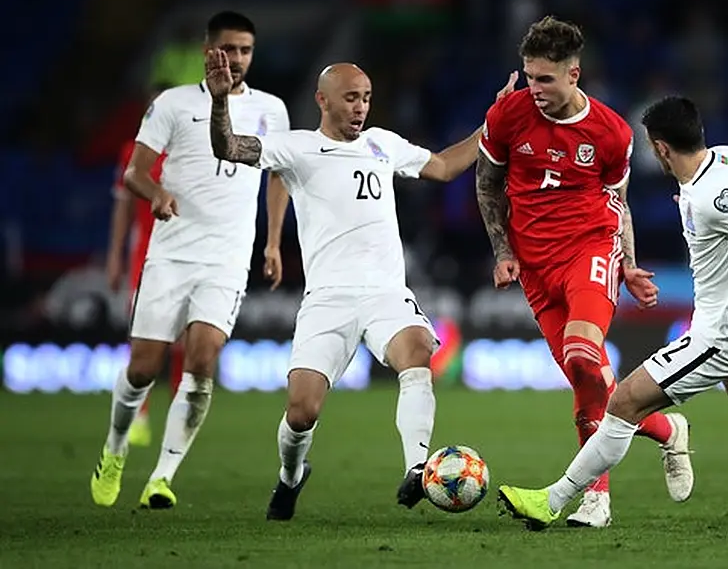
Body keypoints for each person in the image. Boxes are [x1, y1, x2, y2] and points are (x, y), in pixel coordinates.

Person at [496, 95, 728, 530]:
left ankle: (552, 500)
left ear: (661, 148)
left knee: (623, 402)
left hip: (722, 334)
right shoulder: (727, 157)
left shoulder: (710, 197)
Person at [204, 49, 517, 520]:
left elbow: (446, 165)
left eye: (366, 98)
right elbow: (228, 147)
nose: (360, 108)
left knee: (416, 353)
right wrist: (220, 102)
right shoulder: (297, 148)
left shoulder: (381, 144)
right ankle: (291, 475)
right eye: (351, 98)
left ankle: (418, 468)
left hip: (386, 293)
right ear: (322, 100)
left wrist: (492, 121)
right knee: (301, 412)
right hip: (327, 300)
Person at [475, 16, 692, 528]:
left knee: (581, 354)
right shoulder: (509, 115)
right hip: (534, 266)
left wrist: (631, 266)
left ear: (574, 75)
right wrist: (502, 251)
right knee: (584, 377)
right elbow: (487, 185)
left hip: (590, 249)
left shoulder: (612, 133)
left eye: (545, 79)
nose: (535, 89)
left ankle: (597, 499)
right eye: (529, 77)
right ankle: (666, 430)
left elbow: (619, 202)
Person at [90, 11, 292, 510]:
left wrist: (271, 243)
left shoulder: (271, 110)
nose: (237, 59)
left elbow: (278, 175)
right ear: (208, 51)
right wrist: (156, 191)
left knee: (202, 361)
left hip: (226, 260)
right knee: (142, 368)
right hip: (171, 254)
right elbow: (134, 173)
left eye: (245, 50)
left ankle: (162, 476)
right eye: (228, 49)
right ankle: (114, 448)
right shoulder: (172, 104)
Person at [105, 85, 182, 448]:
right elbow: (122, 207)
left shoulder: (189, 152)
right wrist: (114, 256)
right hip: (145, 260)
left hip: (186, 257)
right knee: (143, 342)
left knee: (183, 342)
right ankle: (140, 413)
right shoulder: (133, 155)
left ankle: (178, 416)